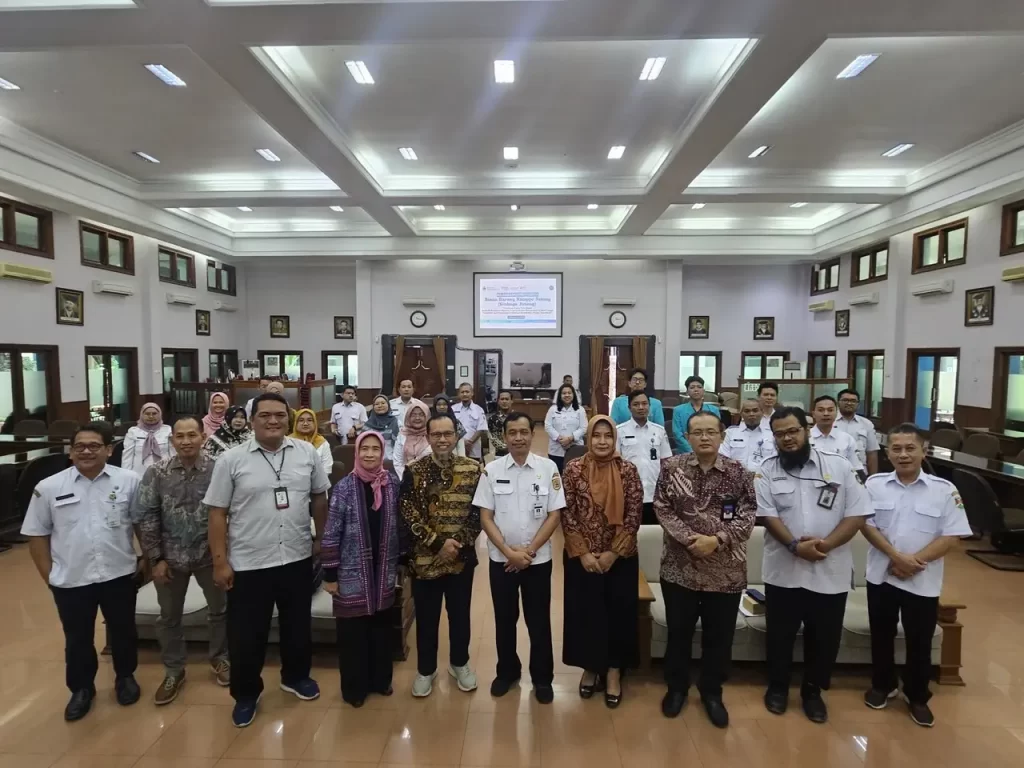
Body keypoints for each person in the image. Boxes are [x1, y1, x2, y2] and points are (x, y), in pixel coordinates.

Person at [204, 391, 330, 728]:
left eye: (279, 415)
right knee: (247, 634)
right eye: (265, 415)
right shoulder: (231, 460)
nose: (273, 420)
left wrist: (322, 539)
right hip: (249, 562)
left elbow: (319, 497)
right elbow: (217, 513)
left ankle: (296, 676)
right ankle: (246, 694)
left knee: (297, 625)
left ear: (288, 419)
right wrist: (220, 562)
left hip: (297, 556)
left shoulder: (307, 453)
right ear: (252, 420)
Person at [756, 406, 871, 724]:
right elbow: (767, 516)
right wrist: (795, 546)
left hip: (829, 569)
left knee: (824, 638)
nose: (787, 438)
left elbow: (857, 514)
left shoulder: (839, 467)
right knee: (779, 635)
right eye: (780, 434)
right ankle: (777, 687)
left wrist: (826, 545)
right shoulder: (766, 470)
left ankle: (812, 691)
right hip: (784, 570)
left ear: (806, 430)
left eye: (793, 431)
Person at [21, 422, 143, 721]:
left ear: (109, 450)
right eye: (79, 446)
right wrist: (50, 577)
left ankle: (125, 677)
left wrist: (148, 560)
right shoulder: (49, 487)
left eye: (94, 446)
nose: (86, 451)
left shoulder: (129, 481)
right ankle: (81, 689)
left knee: (124, 631)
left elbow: (141, 524)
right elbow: (37, 535)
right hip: (72, 578)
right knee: (77, 638)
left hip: (118, 573)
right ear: (71, 451)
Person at [861, 424, 972, 727]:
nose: (903, 455)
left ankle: (917, 695)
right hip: (881, 575)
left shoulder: (944, 490)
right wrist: (896, 558)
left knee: (920, 640)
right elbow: (866, 525)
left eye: (910, 448)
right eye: (896, 449)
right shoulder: (874, 485)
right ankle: (883, 685)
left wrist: (912, 562)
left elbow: (952, 536)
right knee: (881, 635)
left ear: (925, 451)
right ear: (887, 453)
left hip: (922, 580)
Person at [654, 411, 757, 727]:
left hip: (725, 572)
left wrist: (717, 540)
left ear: (722, 435)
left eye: (710, 431)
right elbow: (662, 508)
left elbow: (749, 514)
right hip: (680, 569)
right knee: (679, 634)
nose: (704, 437)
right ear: (687, 437)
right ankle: (677, 689)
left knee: (719, 638)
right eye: (697, 432)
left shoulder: (739, 473)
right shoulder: (671, 468)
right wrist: (691, 540)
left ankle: (712, 692)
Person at [131, 415, 229, 704]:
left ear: (203, 437)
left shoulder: (219, 469)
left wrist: (224, 557)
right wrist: (156, 558)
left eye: (192, 435)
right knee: (169, 617)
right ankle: (174, 670)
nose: (186, 441)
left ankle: (221, 659)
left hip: (210, 555)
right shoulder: (156, 472)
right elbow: (147, 516)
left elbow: (231, 512)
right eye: (180, 436)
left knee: (220, 611)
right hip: (170, 558)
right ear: (172, 439)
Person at [474, 412, 565, 704]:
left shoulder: (548, 468)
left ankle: (542, 678)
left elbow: (554, 515)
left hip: (537, 561)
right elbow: (485, 517)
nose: (518, 438)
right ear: (504, 436)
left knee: (539, 621)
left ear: (532, 434)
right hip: (502, 561)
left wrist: (528, 552)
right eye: (512, 432)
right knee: (504, 619)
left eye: (524, 432)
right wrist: (509, 553)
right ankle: (507, 673)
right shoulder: (491, 470)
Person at [561, 416, 643, 708]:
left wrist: (613, 553)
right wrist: (583, 552)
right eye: (596, 435)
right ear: (588, 438)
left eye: (608, 435)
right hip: (581, 558)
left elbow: (634, 515)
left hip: (619, 558)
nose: (602, 441)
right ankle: (590, 666)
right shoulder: (573, 469)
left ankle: (614, 671)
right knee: (586, 613)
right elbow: (566, 512)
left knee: (618, 614)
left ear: (615, 438)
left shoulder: (627, 470)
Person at [400, 412, 482, 697]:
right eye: (436, 434)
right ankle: (426, 669)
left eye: (448, 433)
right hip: (425, 561)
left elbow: (479, 513)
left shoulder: (473, 469)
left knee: (460, 616)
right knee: (426, 618)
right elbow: (407, 512)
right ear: (428, 437)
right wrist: (437, 544)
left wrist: (455, 543)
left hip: (460, 559)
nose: (443, 439)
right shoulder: (414, 470)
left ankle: (460, 664)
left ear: (456, 435)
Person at [321, 431, 403, 707]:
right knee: (353, 634)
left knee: (381, 629)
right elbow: (331, 532)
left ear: (382, 453)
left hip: (383, 572)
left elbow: (399, 525)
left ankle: (381, 681)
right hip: (351, 573)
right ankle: (355, 689)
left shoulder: (391, 483)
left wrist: (401, 563)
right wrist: (330, 574)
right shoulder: (344, 487)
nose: (369, 454)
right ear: (357, 452)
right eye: (364, 449)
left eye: (375, 449)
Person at [617, 391, 671, 525]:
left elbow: (667, 462)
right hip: (629, 493)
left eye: (644, 404)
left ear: (649, 406)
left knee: (653, 532)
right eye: (636, 404)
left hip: (655, 493)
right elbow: (616, 463)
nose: (641, 407)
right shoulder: (619, 431)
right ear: (629, 408)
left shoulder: (659, 431)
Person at [810, 395, 864, 473]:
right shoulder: (805, 438)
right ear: (813, 414)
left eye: (830, 410)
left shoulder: (847, 439)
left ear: (836, 413)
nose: (826, 414)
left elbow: (856, 467)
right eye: (821, 410)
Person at [720, 399, 776, 471]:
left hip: (763, 476)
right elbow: (724, 457)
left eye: (755, 411)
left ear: (762, 412)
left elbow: (774, 460)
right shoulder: (730, 433)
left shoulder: (771, 435)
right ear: (741, 414)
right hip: (736, 475)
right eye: (747, 411)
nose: (751, 414)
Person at [671, 376, 722, 454]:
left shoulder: (714, 410)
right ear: (687, 392)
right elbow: (677, 434)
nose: (696, 390)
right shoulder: (678, 410)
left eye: (699, 387)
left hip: (709, 450)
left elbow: (716, 431)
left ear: (703, 391)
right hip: (685, 452)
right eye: (692, 387)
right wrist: (691, 450)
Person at [834, 389, 880, 476]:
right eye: (845, 400)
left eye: (853, 401)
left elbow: (872, 453)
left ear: (858, 404)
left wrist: (872, 478)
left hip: (859, 473)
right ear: (838, 402)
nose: (849, 403)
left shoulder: (867, 424)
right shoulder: (830, 421)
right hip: (835, 472)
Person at [544, 384, 588, 472]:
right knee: (557, 474)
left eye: (569, 393)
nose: (567, 395)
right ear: (560, 395)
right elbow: (548, 426)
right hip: (556, 449)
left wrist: (570, 439)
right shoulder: (553, 409)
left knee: (575, 474)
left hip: (575, 448)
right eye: (564, 393)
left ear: (573, 395)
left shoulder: (580, 410)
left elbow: (584, 427)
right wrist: (559, 438)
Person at [122, 402, 174, 474]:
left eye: (154, 413)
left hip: (164, 473)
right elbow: (127, 457)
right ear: (141, 415)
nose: (151, 416)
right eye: (147, 414)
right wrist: (126, 475)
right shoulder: (133, 432)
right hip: (139, 474)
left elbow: (174, 454)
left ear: (160, 414)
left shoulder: (167, 430)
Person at [393, 400, 432, 480]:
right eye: (413, 415)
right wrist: (406, 479)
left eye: (421, 415)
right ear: (408, 417)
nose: (417, 418)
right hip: (406, 479)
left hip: (430, 479)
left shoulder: (432, 434)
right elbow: (398, 462)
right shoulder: (402, 435)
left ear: (427, 416)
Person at [291, 407, 332, 475]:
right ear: (296, 423)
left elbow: (327, 468)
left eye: (309, 420)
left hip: (317, 480)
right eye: (301, 420)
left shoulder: (322, 443)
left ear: (315, 423)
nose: (305, 423)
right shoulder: (287, 441)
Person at [452, 382, 488, 461]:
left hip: (474, 449)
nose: (465, 394)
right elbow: (451, 428)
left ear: (472, 393)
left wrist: (469, 443)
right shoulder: (453, 409)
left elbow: (481, 428)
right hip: (456, 448)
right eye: (462, 392)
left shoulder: (479, 409)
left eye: (467, 392)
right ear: (459, 394)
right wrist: (462, 443)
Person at [365, 394, 400, 461]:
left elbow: (400, 445)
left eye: (383, 403)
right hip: (372, 460)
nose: (380, 406)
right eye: (377, 404)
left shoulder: (397, 423)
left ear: (388, 405)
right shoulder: (367, 425)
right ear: (373, 407)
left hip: (391, 460)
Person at [487, 389, 515, 457]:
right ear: (498, 401)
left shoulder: (518, 418)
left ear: (511, 401)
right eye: (502, 399)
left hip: (515, 452)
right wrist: (506, 448)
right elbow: (493, 438)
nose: (504, 401)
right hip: (499, 455)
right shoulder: (492, 419)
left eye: (507, 399)